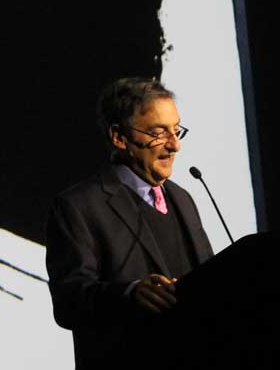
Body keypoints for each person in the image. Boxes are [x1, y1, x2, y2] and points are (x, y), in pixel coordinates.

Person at [45, 77, 214, 369]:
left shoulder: (182, 198)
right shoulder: (79, 206)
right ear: (119, 138)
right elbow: (68, 301)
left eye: (176, 130)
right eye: (159, 132)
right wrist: (130, 293)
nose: (174, 145)